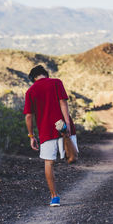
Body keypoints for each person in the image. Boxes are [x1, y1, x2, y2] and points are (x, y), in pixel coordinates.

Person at [23, 65, 78, 207]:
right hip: (63, 127)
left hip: (45, 132)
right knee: (72, 157)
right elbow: (63, 103)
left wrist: (31, 136)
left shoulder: (30, 91)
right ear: (45, 74)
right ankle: (67, 156)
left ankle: (54, 197)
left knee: (49, 162)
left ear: (33, 78)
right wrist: (67, 124)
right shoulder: (56, 82)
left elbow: (29, 116)